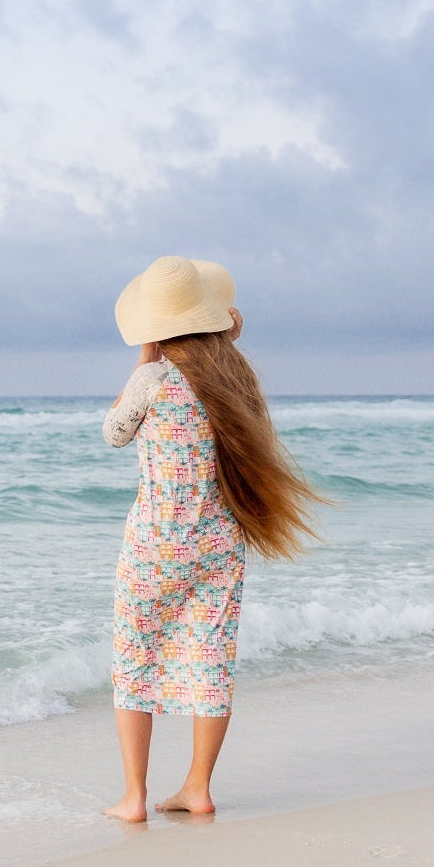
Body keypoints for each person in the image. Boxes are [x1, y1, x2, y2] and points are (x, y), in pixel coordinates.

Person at [100, 256, 325, 822]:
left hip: (155, 542)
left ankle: (134, 798)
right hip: (219, 541)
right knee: (211, 660)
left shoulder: (151, 377)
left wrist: (145, 357)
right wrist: (228, 339)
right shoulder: (235, 378)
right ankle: (197, 788)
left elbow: (114, 434)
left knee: (135, 661)